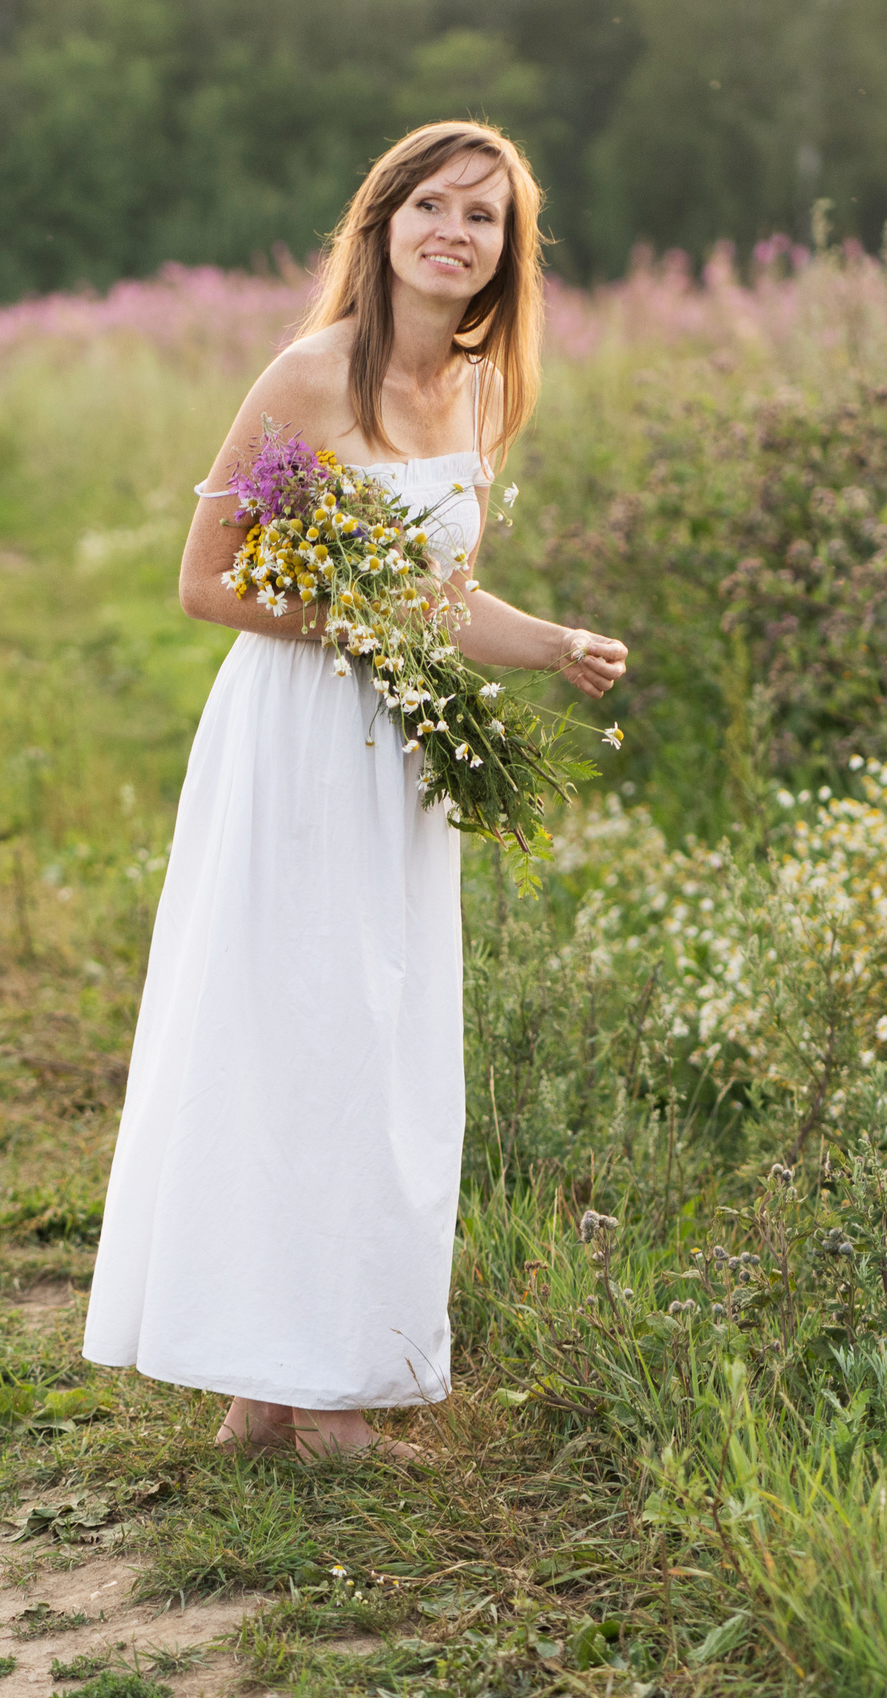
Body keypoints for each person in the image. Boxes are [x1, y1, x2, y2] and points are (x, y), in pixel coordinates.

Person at [81, 121, 630, 1460]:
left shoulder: (487, 391)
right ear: (382, 223)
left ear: (509, 252)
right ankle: (292, 1394)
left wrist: (549, 642)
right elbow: (206, 582)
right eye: (432, 206)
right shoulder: (310, 373)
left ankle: (280, 1393)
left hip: (402, 755)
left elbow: (442, 598)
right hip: (297, 742)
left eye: (484, 217)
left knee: (371, 1046)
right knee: (293, 1036)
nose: (455, 232)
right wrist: (365, 629)